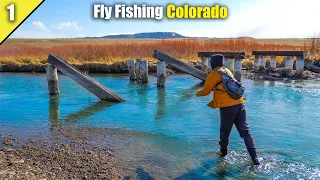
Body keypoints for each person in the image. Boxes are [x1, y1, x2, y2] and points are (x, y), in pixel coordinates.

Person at [196, 54, 260, 165]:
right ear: (222, 63)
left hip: (227, 108)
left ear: (212, 64)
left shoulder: (213, 74)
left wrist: (196, 94)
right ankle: (255, 159)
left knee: (224, 133)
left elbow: (205, 91)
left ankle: (223, 156)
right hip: (240, 104)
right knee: (245, 132)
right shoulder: (227, 71)